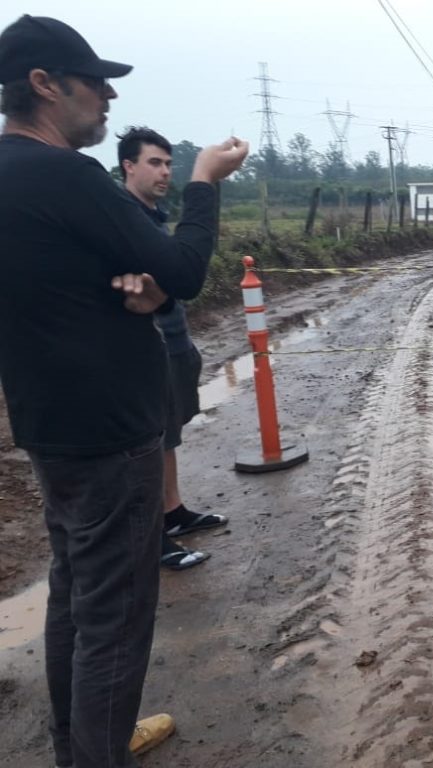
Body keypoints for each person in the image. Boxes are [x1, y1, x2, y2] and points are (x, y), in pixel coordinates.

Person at [0, 15, 248, 768]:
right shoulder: (65, 173)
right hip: (109, 427)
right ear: (45, 85)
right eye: (95, 81)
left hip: (49, 419)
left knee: (76, 593)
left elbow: (50, 284)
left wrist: (118, 294)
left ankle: (84, 744)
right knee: (116, 613)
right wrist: (204, 184)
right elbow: (182, 271)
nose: (108, 96)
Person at [118, 126, 228, 571]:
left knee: (168, 435)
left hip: (174, 340)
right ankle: (153, 539)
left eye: (168, 164)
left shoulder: (154, 218)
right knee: (146, 442)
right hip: (145, 348)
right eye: (154, 163)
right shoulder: (120, 218)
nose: (165, 172)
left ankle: (173, 512)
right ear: (128, 166)